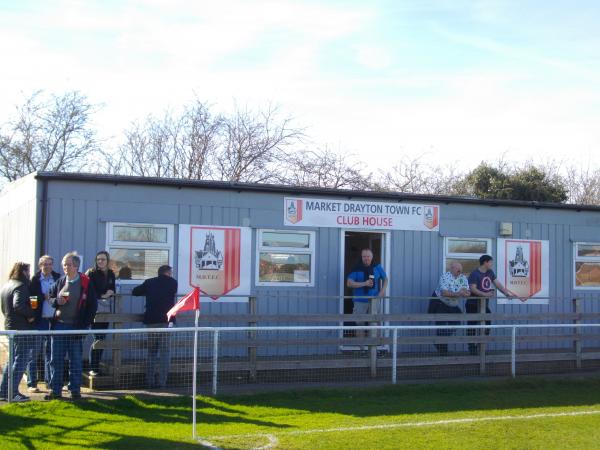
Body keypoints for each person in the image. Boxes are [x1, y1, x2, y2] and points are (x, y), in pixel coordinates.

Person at [44, 252, 97, 400]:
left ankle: (75, 390)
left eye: (68, 264)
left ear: (76, 266)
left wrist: (84, 324)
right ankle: (55, 390)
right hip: (59, 326)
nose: (65, 267)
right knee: (56, 359)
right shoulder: (60, 281)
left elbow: (92, 305)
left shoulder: (85, 282)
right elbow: (50, 296)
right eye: (64, 265)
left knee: (75, 359)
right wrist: (56, 302)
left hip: (76, 327)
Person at [132, 265, 178, 388]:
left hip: (151, 321)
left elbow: (135, 292)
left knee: (152, 352)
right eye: (171, 272)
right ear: (168, 273)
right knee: (165, 352)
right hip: (166, 321)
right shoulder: (173, 283)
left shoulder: (149, 282)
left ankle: (149, 381)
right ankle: (162, 382)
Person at [466, 254, 517, 355]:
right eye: (490, 262)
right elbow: (472, 288)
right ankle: (472, 348)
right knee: (472, 326)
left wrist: (506, 293)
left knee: (487, 324)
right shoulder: (475, 274)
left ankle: (480, 345)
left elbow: (497, 284)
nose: (491, 264)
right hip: (473, 304)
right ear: (485, 262)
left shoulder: (490, 272)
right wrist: (485, 294)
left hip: (484, 305)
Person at [0, 262, 35, 402]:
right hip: (21, 328)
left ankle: (3, 391)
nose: (30, 274)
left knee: (11, 360)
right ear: (23, 272)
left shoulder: (7, 285)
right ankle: (12, 392)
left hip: (10, 326)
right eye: (28, 271)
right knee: (20, 360)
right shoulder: (21, 286)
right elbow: (18, 305)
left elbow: (4, 307)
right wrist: (30, 315)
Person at [26, 255, 61, 393]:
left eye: (49, 264)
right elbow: (32, 300)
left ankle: (49, 382)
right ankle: (32, 383)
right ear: (40, 265)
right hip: (40, 320)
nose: (47, 266)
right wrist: (43, 297)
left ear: (52, 265)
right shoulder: (34, 280)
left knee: (51, 353)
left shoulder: (58, 278)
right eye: (44, 264)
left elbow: (65, 293)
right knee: (34, 352)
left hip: (54, 319)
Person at [428, 262, 470, 355]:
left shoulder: (462, 278)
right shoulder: (445, 277)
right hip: (439, 301)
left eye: (461, 270)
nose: (460, 272)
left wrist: (466, 293)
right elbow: (444, 293)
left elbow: (467, 291)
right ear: (451, 269)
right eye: (458, 270)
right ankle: (443, 352)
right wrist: (458, 294)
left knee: (457, 321)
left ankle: (440, 341)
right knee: (441, 325)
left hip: (452, 303)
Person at [86, 251, 116, 377]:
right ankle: (93, 367)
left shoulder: (111, 273)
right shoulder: (91, 273)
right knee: (97, 338)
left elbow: (112, 288)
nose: (100, 261)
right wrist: (103, 295)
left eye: (103, 259)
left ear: (107, 260)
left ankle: (96, 366)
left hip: (106, 310)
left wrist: (110, 292)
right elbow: (89, 291)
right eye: (98, 259)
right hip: (94, 310)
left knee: (102, 338)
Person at [346, 249, 388, 338]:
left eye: (368, 256)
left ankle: (375, 348)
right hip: (360, 301)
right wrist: (364, 283)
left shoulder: (377, 267)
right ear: (361, 257)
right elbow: (349, 283)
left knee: (375, 324)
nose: (366, 258)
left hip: (374, 300)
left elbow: (385, 279)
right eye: (364, 256)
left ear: (372, 257)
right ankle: (361, 349)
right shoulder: (356, 268)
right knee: (360, 324)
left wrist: (382, 291)